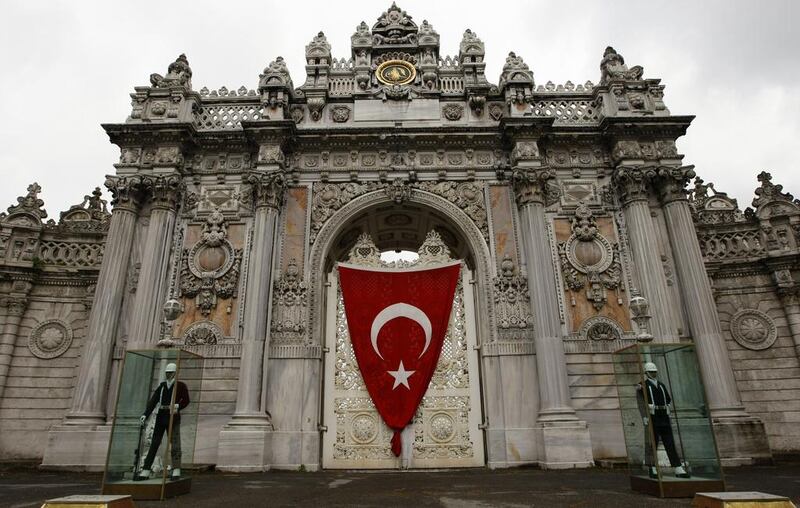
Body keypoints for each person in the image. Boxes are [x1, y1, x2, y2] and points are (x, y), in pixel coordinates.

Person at [135, 362, 190, 480]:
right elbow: (153, 401)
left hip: (173, 416)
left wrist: (177, 406)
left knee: (175, 443)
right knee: (154, 443)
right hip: (161, 416)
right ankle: (146, 469)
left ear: (175, 373)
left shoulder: (180, 386)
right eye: (167, 372)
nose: (168, 374)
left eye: (171, 372)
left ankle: (176, 469)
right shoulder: (162, 386)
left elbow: (186, 400)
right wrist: (145, 414)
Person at [637, 362, 689, 479]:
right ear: (646, 373)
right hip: (652, 416)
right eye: (651, 372)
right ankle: (652, 467)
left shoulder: (661, 385)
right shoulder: (642, 386)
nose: (654, 374)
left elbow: (668, 399)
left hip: (663, 415)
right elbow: (640, 403)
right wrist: (645, 416)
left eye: (655, 372)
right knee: (652, 443)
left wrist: (668, 410)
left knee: (669, 441)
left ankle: (677, 466)